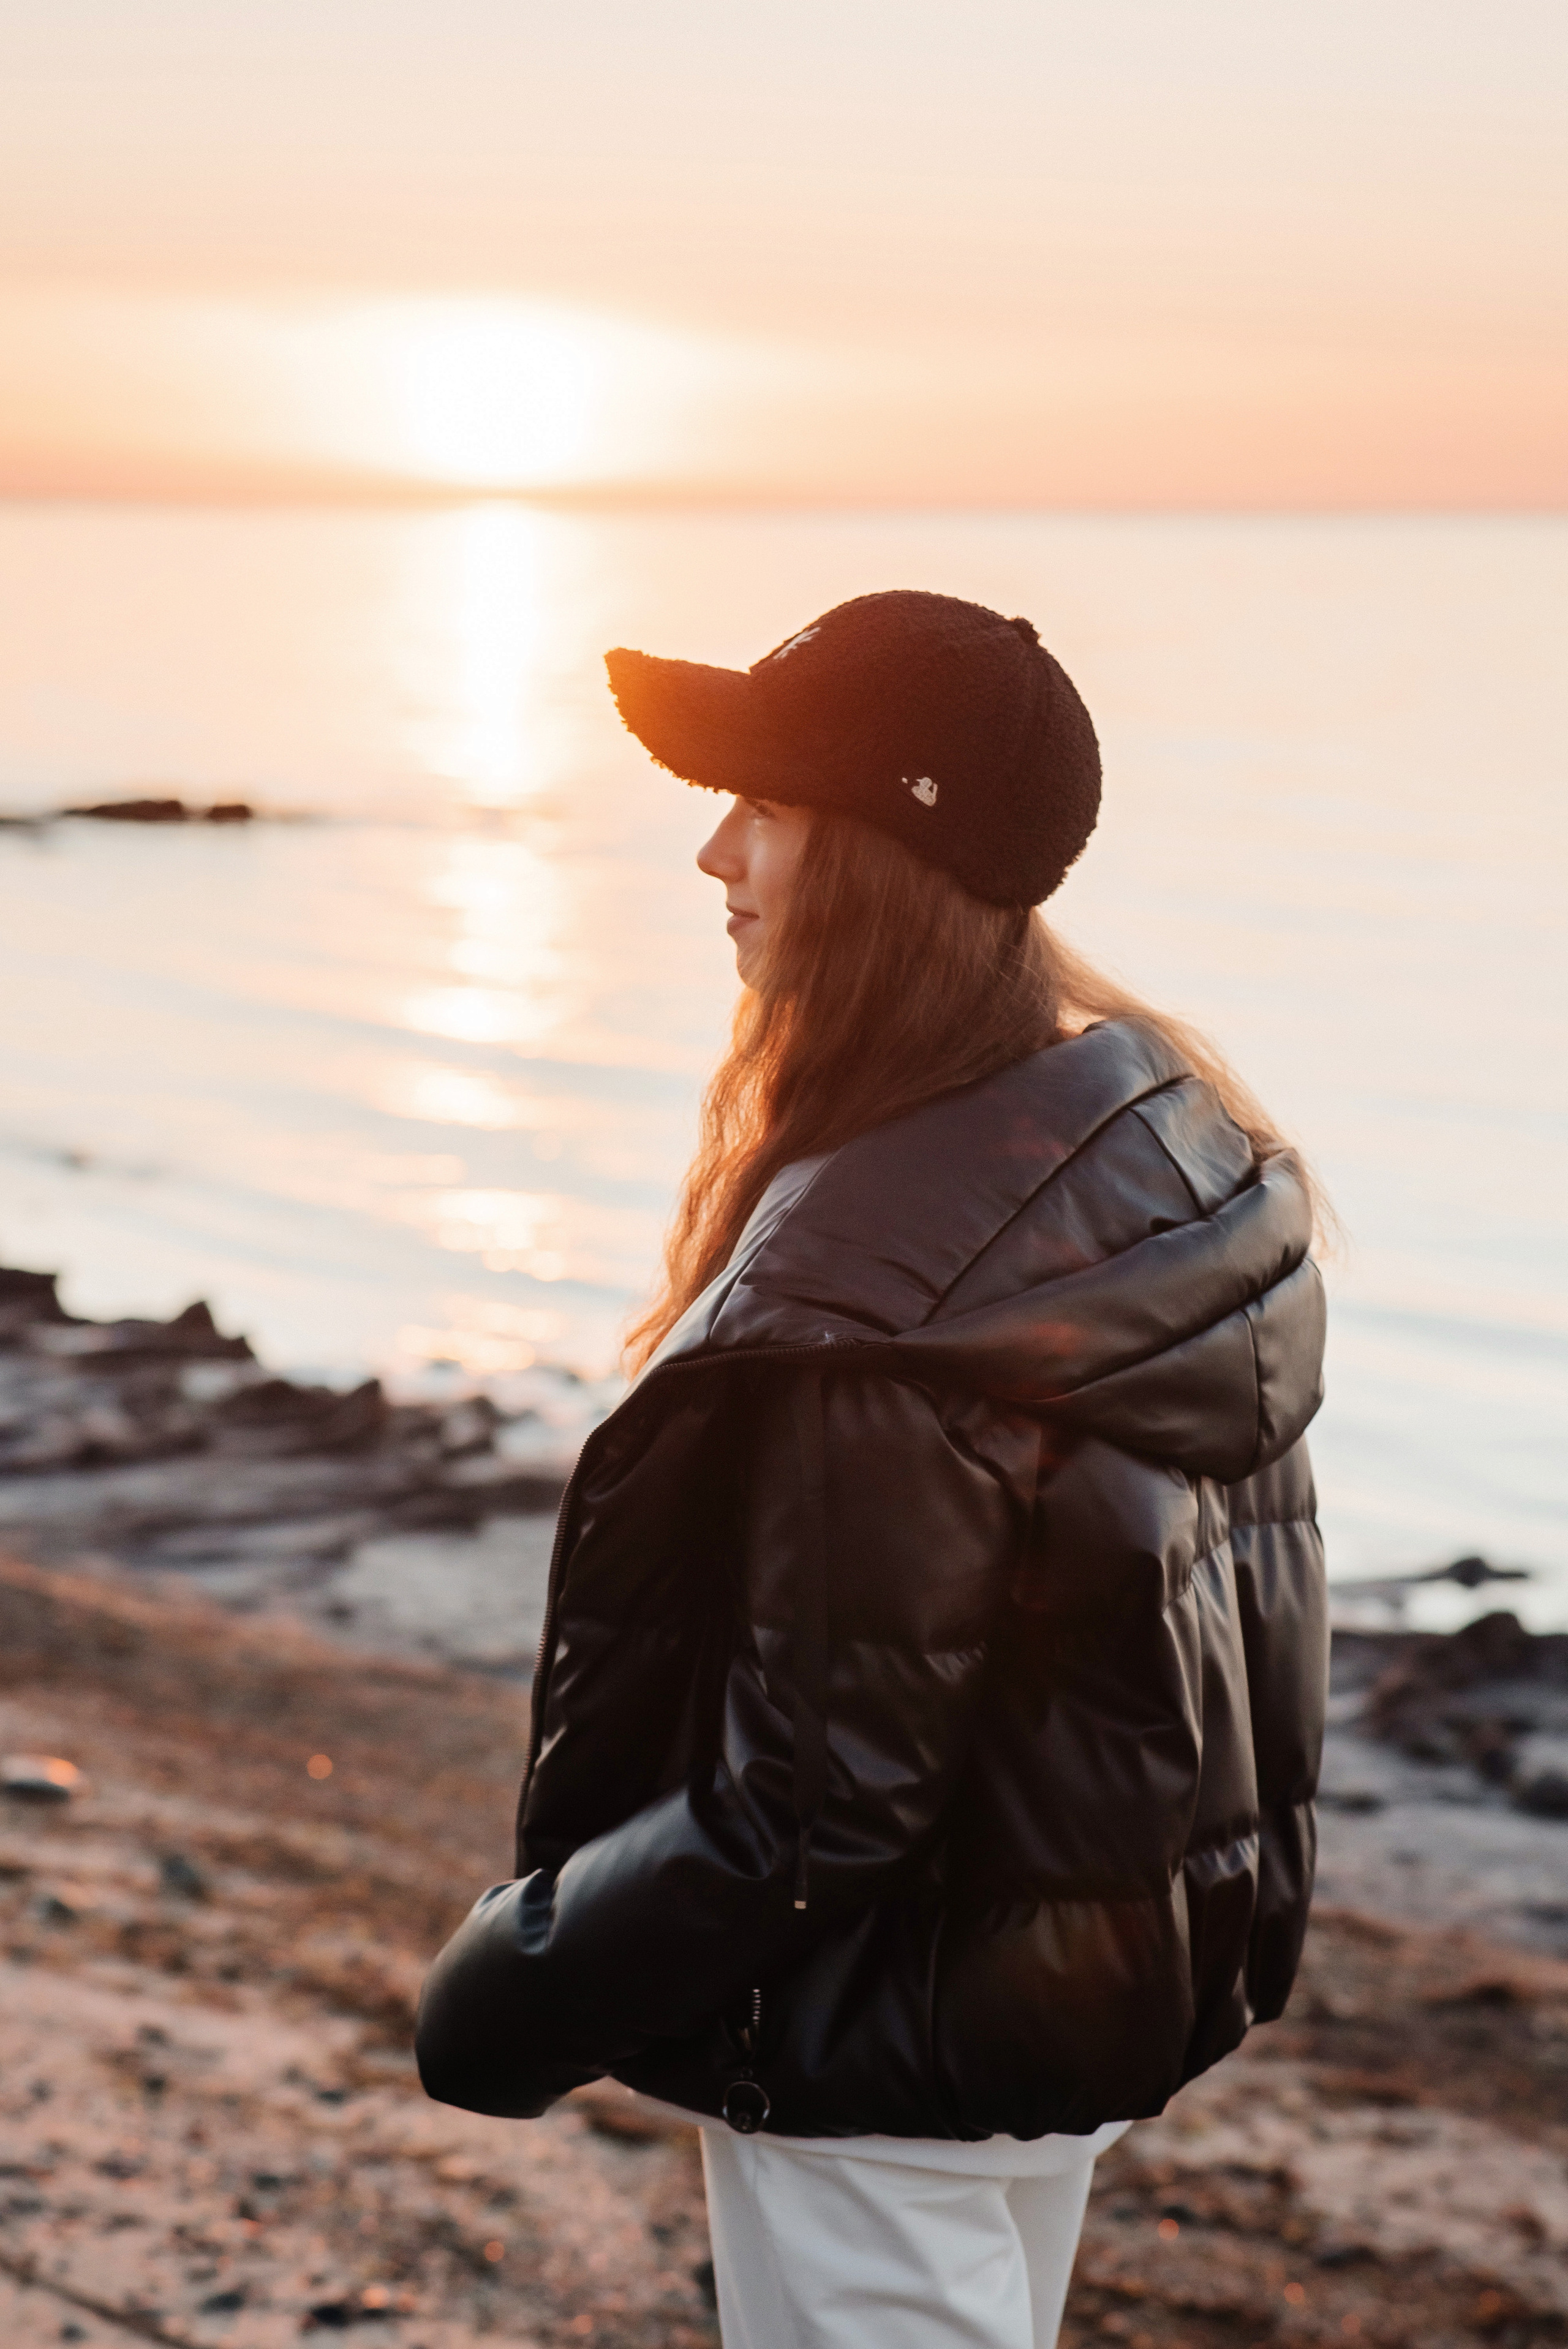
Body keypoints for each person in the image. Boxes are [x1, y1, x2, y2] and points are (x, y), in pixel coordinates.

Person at [416, 590, 1329, 2349]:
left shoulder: (880, 1295)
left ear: (880, 851)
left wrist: (512, 1983)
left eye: (764, 809)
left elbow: (814, 1809)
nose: (713, 852)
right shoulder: (1143, 1134)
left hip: (887, 2034)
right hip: (1065, 1981)